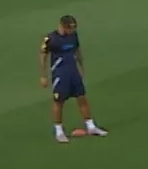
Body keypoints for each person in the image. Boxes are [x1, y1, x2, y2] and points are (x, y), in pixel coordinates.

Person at [39, 15, 107, 143]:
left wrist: (81, 67)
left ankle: (91, 126)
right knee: (59, 101)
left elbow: (77, 50)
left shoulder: (73, 36)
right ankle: (59, 131)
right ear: (63, 26)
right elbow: (43, 55)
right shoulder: (51, 39)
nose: (73, 31)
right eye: (70, 28)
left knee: (82, 97)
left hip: (73, 72)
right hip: (60, 73)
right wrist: (43, 75)